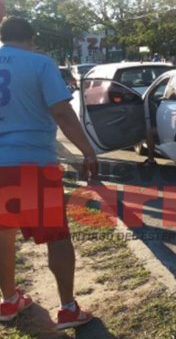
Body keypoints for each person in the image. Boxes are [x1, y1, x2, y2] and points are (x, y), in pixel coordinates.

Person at [0, 17, 96, 328]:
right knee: (57, 235)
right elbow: (63, 114)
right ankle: (68, 308)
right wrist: (88, 151)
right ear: (31, 38)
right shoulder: (39, 64)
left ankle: (9, 300)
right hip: (33, 164)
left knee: (3, 233)